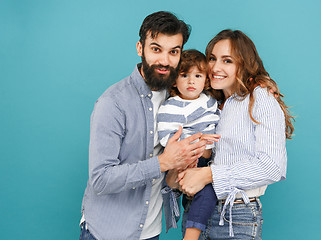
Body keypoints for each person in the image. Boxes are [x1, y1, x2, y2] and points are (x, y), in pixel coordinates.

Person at [79, 11, 208, 240]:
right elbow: (100, 178)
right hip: (108, 233)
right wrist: (163, 162)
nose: (165, 61)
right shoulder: (113, 103)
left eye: (173, 52)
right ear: (140, 48)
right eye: (156, 49)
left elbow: (222, 90)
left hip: (150, 232)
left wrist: (261, 87)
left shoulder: (179, 95)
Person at [176, 29, 295, 240]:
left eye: (227, 60)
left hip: (236, 216)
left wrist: (209, 175)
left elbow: (273, 166)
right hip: (196, 213)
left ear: (244, 64)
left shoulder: (260, 98)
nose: (215, 67)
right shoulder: (209, 103)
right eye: (212, 58)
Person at [156, 49, 220, 240]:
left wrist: (208, 144)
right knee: (186, 191)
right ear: (174, 80)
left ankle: (191, 235)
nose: (191, 81)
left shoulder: (210, 101)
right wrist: (186, 152)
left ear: (205, 81)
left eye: (197, 76)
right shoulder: (170, 106)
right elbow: (166, 135)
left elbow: (217, 123)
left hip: (206, 162)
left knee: (208, 193)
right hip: (182, 158)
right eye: (184, 75)